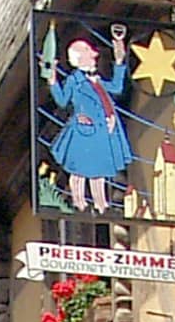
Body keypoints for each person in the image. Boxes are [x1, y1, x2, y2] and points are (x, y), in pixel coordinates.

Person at [46, 27, 132, 213]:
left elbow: (116, 87)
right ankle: (79, 202)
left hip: (103, 129)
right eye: (89, 53)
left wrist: (119, 59)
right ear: (78, 60)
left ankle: (101, 204)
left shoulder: (97, 80)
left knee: (99, 171)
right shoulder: (74, 81)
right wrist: (52, 79)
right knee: (79, 171)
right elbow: (62, 100)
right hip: (84, 131)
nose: (94, 56)